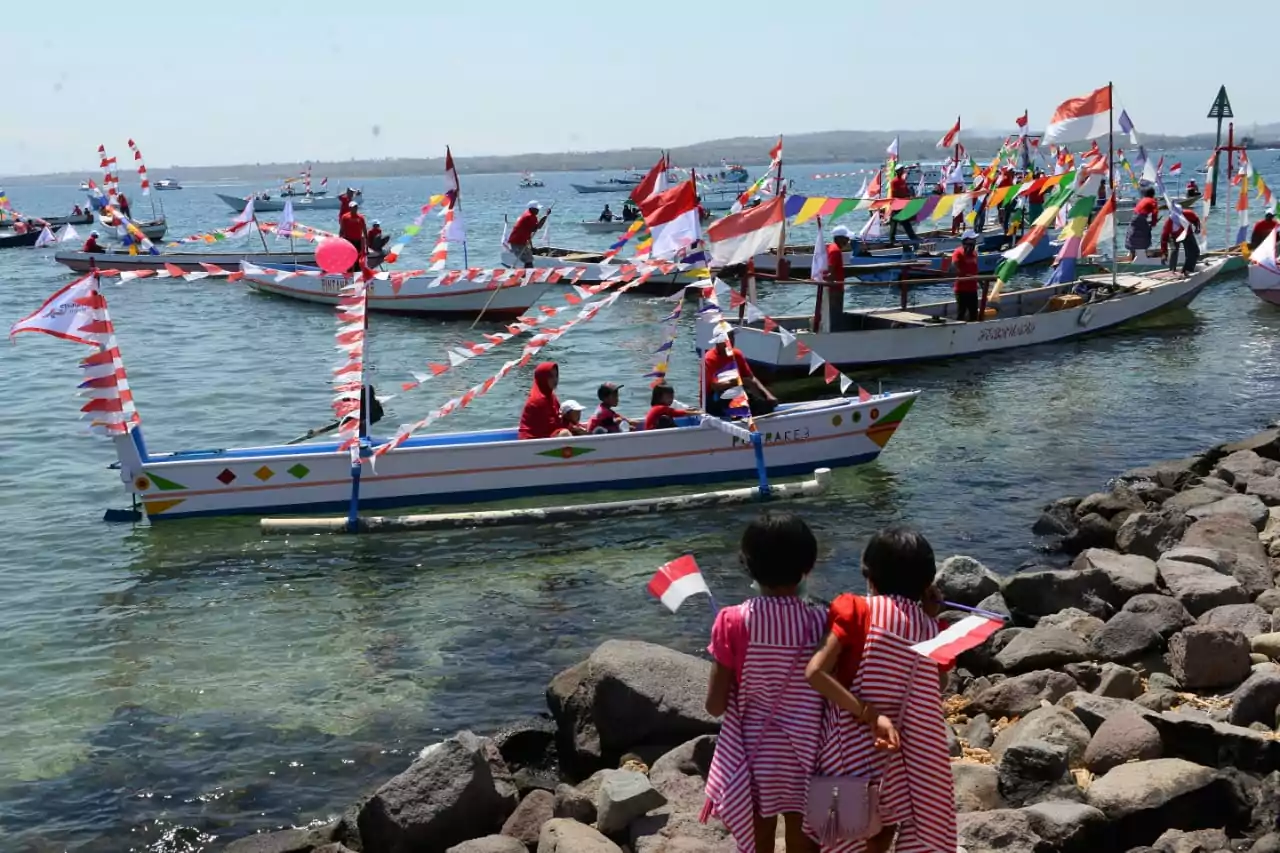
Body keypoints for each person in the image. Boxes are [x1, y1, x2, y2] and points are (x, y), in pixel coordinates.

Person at [805, 527, 955, 853]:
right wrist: (929, 617)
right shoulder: (932, 630)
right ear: (926, 584)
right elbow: (938, 685)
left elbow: (815, 673)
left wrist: (869, 713)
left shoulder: (857, 611)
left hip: (847, 749)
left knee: (840, 833)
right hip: (900, 757)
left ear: (870, 576)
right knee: (884, 825)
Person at [702, 512, 828, 853]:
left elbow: (714, 706)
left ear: (747, 565)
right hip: (811, 754)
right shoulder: (824, 619)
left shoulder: (732, 621)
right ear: (809, 565)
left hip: (754, 757)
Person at [703, 331, 776, 417]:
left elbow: (751, 378)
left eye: (732, 337)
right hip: (713, 398)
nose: (730, 341)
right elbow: (715, 386)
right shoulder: (709, 359)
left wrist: (768, 395)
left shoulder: (737, 354)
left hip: (734, 393)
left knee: (766, 404)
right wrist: (740, 381)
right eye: (726, 339)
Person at [815, 225, 851, 333]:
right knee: (835, 315)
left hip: (834, 287)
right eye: (846, 238)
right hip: (835, 289)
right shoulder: (835, 251)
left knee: (831, 314)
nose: (848, 240)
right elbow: (830, 270)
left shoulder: (831, 247)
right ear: (839, 238)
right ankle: (834, 334)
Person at [518, 362, 564, 440]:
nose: (555, 380)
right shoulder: (538, 400)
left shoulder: (551, 396)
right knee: (565, 433)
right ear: (543, 378)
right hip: (531, 441)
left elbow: (559, 418)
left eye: (556, 376)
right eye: (551, 376)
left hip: (545, 437)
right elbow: (551, 426)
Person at [951, 230, 981, 322]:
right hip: (961, 289)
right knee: (961, 313)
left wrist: (980, 282)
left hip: (972, 289)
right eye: (971, 241)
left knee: (974, 313)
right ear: (965, 242)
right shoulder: (958, 252)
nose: (973, 243)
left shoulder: (974, 253)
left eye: (974, 241)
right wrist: (963, 274)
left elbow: (975, 269)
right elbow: (953, 268)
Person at [508, 201, 549, 269]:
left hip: (521, 241)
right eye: (537, 209)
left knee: (529, 258)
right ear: (532, 209)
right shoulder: (530, 216)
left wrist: (531, 247)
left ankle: (526, 274)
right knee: (528, 260)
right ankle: (528, 275)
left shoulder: (529, 215)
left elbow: (529, 232)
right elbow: (537, 227)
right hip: (518, 242)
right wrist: (546, 215)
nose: (538, 210)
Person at [1161, 208, 1202, 274]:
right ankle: (1172, 271)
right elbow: (1164, 239)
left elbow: (1196, 220)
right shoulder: (1168, 223)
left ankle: (1187, 270)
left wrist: (1197, 227)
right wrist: (1164, 253)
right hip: (1174, 237)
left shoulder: (1188, 213)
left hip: (1187, 234)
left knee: (1195, 252)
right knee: (1174, 251)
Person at [1125, 187, 1160, 261]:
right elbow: (1155, 212)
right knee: (1145, 235)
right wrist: (1154, 223)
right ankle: (1142, 256)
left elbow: (1141, 211)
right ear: (1153, 194)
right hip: (1141, 218)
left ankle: (1133, 255)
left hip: (1134, 218)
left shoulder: (1142, 200)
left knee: (1133, 234)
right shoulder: (1152, 201)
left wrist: (1150, 222)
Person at [887, 166, 917, 246]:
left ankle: (912, 237)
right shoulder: (894, 181)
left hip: (902, 204)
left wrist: (910, 195)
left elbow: (906, 190)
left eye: (903, 170)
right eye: (901, 170)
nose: (903, 171)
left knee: (903, 222)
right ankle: (892, 240)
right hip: (896, 204)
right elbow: (895, 193)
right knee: (895, 222)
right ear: (898, 171)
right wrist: (904, 198)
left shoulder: (903, 180)